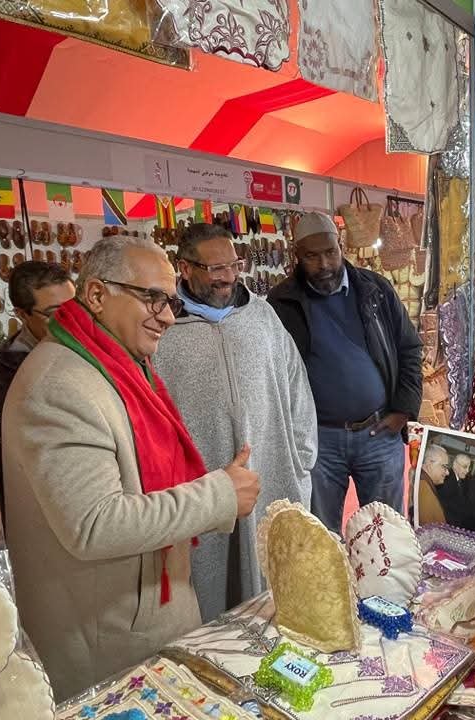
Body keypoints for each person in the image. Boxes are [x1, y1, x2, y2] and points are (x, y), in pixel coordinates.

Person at [1, 236, 261, 701]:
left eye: (171, 301)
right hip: (108, 641)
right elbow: (95, 524)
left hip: (143, 615)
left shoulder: (114, 363)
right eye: (152, 298)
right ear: (97, 295)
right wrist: (220, 494)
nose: (168, 316)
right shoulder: (60, 385)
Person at [155, 223, 317, 623]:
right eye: (214, 268)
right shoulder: (163, 329)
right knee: (212, 592)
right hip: (201, 484)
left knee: (277, 583)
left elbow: (296, 384)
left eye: (233, 265)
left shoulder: (261, 317)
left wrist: (302, 457)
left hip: (271, 473)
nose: (227, 277)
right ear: (184, 268)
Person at [268, 212, 422, 533]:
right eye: (312, 256)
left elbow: (409, 348)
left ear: (341, 245)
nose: (324, 264)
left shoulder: (375, 289)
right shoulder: (281, 303)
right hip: (319, 441)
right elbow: (273, 372)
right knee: (320, 537)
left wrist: (403, 410)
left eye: (330, 252)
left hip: (379, 434)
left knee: (386, 534)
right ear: (297, 256)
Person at [0, 261, 74, 524]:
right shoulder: (9, 370)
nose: (71, 320)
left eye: (75, 307)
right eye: (54, 313)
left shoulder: (81, 345)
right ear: (22, 315)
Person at [417, 444, 451, 525]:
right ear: (429, 464)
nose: (447, 473)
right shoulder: (423, 488)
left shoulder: (424, 484)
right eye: (444, 466)